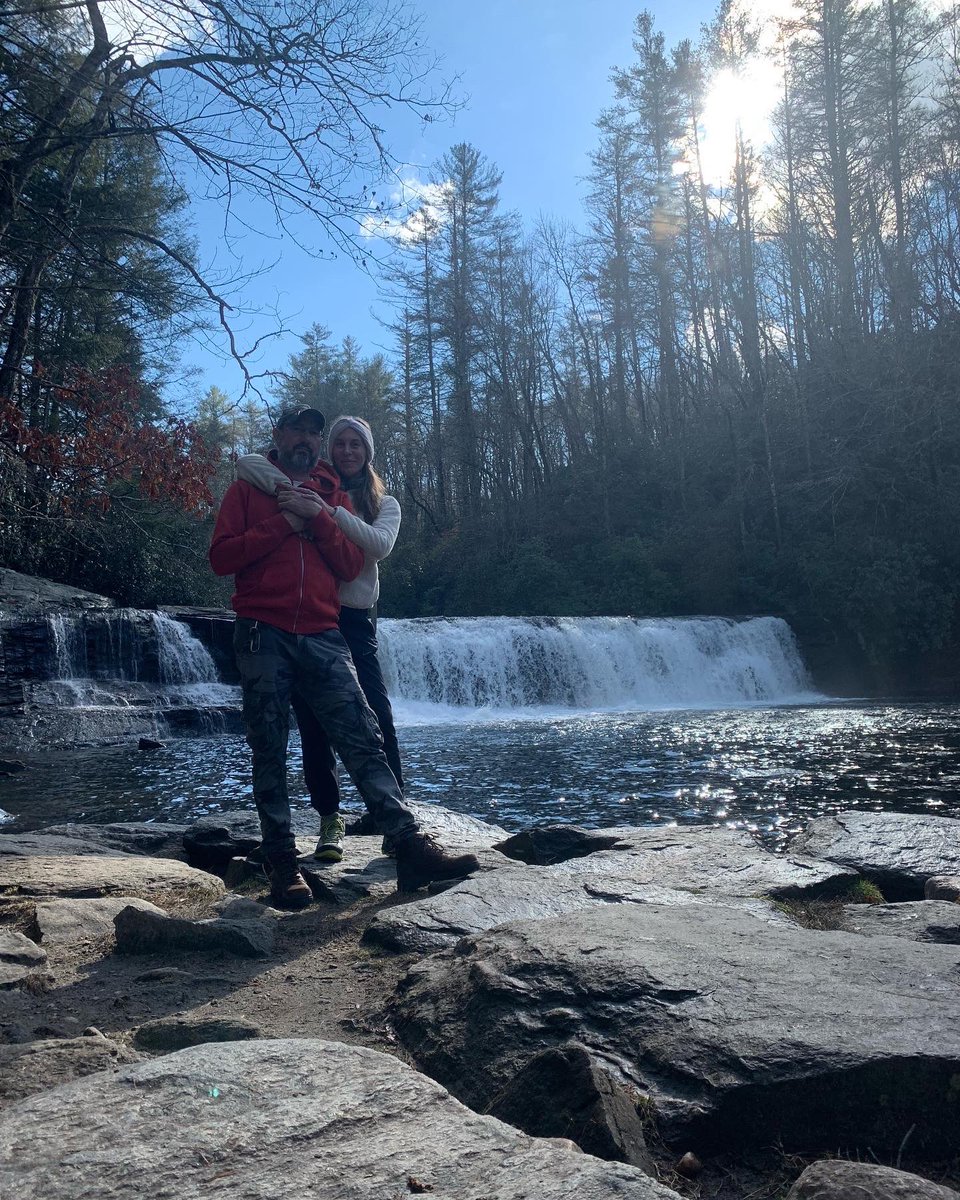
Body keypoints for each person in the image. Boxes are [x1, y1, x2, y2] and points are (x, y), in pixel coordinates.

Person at [209, 406, 478, 908]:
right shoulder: (246, 490)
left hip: (323, 631)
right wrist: (285, 523)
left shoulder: (329, 495)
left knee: (363, 736)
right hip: (262, 631)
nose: (306, 440)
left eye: (314, 434)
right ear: (278, 436)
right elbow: (222, 557)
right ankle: (282, 864)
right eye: (297, 431)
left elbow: (352, 563)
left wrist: (316, 517)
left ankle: (407, 843)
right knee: (269, 747)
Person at [235, 414, 402, 864]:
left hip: (353, 621)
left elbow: (378, 546)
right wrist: (297, 497)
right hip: (309, 617)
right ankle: (331, 820)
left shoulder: (380, 503)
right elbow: (248, 463)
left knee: (375, 717)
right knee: (312, 725)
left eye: (356, 444)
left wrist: (323, 512)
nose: (348, 451)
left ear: (368, 453)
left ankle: (394, 819)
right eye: (340, 443)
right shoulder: (312, 484)